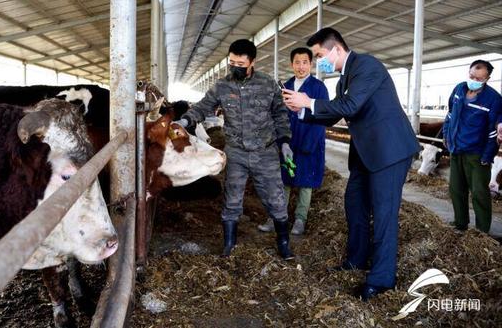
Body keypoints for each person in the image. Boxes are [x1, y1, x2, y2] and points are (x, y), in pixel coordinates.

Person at [283, 27, 419, 301]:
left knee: (383, 214)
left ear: (336, 49)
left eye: (319, 55)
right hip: (365, 153)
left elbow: (350, 106)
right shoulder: (344, 79)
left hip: (389, 152)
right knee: (354, 205)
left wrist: (309, 100)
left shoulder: (367, 65)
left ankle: (382, 279)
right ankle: (357, 258)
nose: (319, 61)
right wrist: (302, 112)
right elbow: (334, 115)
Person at [175, 39, 295, 260]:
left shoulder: (268, 84)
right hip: (236, 152)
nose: (235, 66)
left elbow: (280, 115)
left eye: (240, 63)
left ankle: (284, 243)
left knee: (276, 200)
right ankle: (229, 245)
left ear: (252, 62)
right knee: (231, 199)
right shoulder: (222, 86)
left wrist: (285, 141)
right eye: (231, 62)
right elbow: (203, 107)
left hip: (265, 152)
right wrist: (185, 121)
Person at [258, 47, 329, 235]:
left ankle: (300, 219)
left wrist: (308, 145)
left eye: (305, 62)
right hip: (288, 142)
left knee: (306, 182)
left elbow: (324, 116)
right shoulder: (284, 87)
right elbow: (277, 116)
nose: (301, 66)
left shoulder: (318, 88)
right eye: (297, 62)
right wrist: (282, 142)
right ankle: (277, 217)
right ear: (291, 64)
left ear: (311, 64)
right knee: (283, 181)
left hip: (310, 141)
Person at [443, 60, 501, 233]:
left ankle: (481, 230)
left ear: (487, 78)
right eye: (471, 76)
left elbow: (493, 131)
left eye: (479, 78)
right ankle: (460, 222)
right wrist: (446, 135)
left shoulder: (494, 99)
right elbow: (450, 114)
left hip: (477, 154)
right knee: (456, 189)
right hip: (456, 149)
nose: (474, 80)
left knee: (479, 193)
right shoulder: (459, 89)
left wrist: (487, 156)